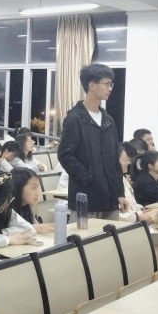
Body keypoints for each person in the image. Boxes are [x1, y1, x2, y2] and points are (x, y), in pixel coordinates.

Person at [57, 64, 128, 221]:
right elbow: (65, 155)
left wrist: (120, 193)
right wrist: (87, 178)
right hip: (85, 197)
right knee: (83, 236)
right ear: (92, 85)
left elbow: (114, 161)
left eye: (111, 84)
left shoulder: (108, 120)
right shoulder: (75, 118)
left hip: (110, 199)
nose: (110, 88)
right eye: (106, 84)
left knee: (110, 236)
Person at [10, 167, 54, 235]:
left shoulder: (28, 207)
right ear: (19, 188)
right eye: (34, 188)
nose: (38, 193)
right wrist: (33, 228)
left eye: (37, 187)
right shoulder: (7, 210)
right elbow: (4, 234)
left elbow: (37, 227)